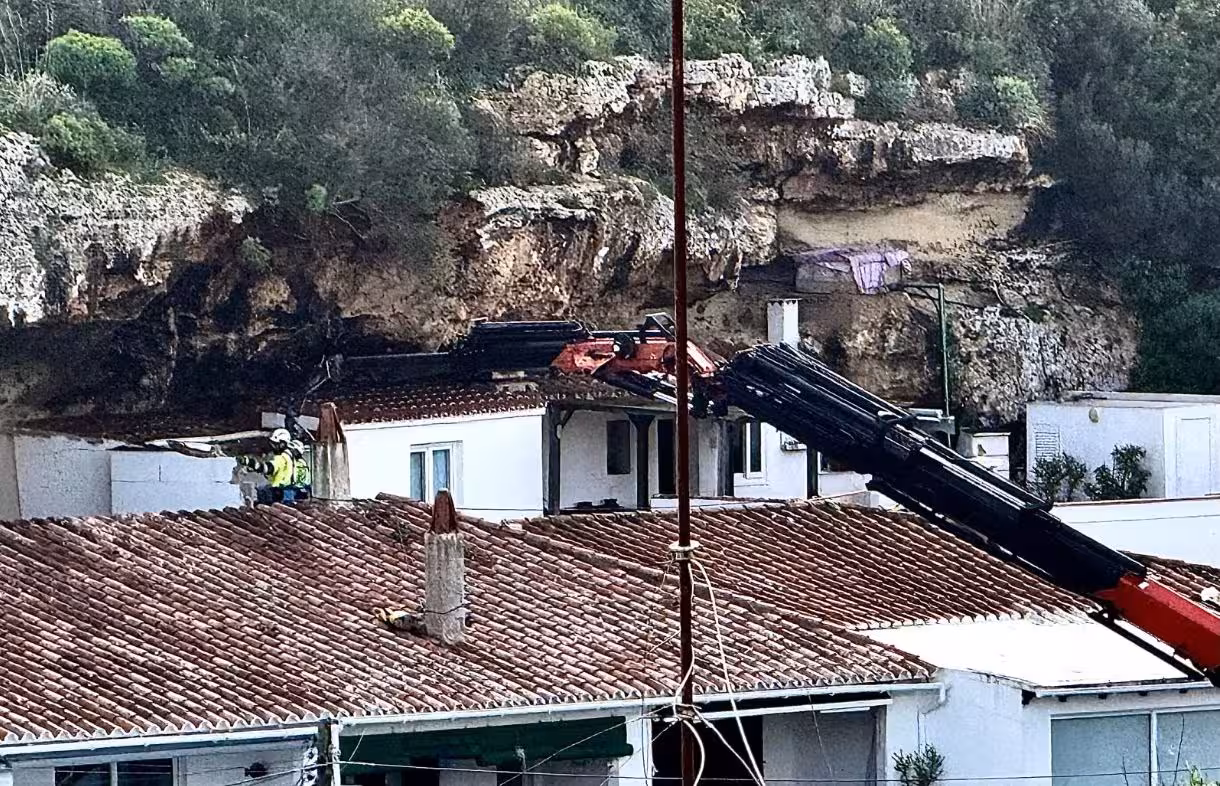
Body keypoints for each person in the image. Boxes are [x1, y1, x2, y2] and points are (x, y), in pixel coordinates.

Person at [236, 428, 298, 503]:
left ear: (282, 444)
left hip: (279, 493)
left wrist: (248, 462)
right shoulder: (289, 457)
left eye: (275, 444)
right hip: (287, 491)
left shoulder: (281, 458)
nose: (273, 447)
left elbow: (268, 468)